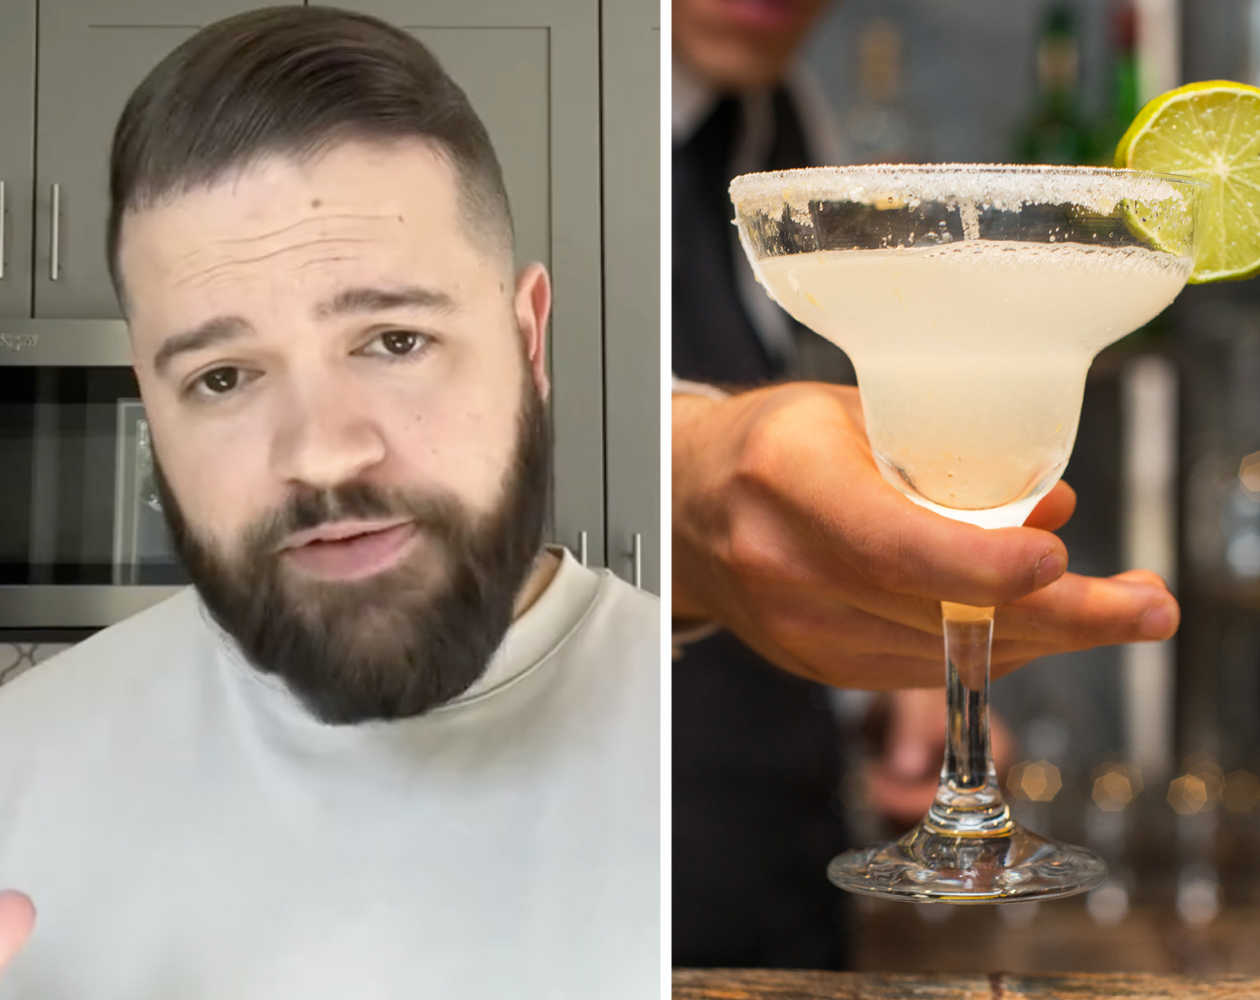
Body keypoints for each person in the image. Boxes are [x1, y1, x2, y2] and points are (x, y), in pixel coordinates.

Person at [0, 8, 657, 995]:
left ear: (528, 341)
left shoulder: (691, 750)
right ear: (151, 405)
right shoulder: (18, 771)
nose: (320, 453)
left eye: (394, 341)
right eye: (223, 377)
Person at [670, 0, 1179, 969]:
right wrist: (691, 475)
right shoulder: (568, 111)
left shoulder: (782, 122)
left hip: (789, 882)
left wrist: (885, 682)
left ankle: (965, 784)